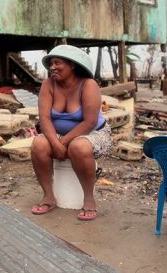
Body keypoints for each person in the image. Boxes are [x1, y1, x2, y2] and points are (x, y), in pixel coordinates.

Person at [30, 45, 111, 221]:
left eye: (57, 63)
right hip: (59, 134)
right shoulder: (48, 85)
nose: (52, 67)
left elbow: (89, 121)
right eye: (51, 64)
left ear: (72, 65)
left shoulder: (88, 85)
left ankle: (89, 199)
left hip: (94, 132)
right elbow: (44, 118)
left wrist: (62, 143)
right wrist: (55, 143)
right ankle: (48, 197)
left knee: (79, 147)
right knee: (38, 144)